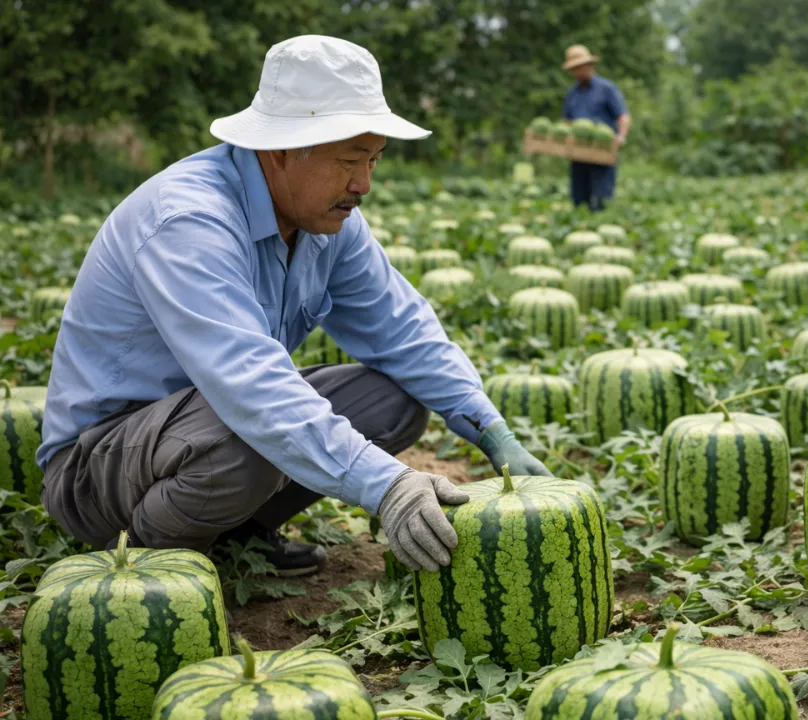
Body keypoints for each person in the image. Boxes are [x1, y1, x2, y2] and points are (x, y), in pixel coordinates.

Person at [36, 35, 550, 578]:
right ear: (279, 150)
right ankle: (153, 560)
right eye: (350, 160)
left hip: (201, 433)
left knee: (395, 399)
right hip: (98, 467)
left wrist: (493, 431)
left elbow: (402, 330)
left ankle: (238, 534)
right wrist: (388, 484)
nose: (364, 183)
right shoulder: (189, 221)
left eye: (374, 160)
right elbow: (250, 386)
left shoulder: (327, 219)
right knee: (251, 434)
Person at [560, 44, 631, 212]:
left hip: (603, 152)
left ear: (590, 66)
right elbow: (568, 121)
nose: (577, 72)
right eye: (574, 69)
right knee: (579, 198)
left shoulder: (607, 89)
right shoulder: (572, 93)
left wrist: (621, 136)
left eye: (580, 67)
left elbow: (623, 116)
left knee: (602, 199)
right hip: (578, 154)